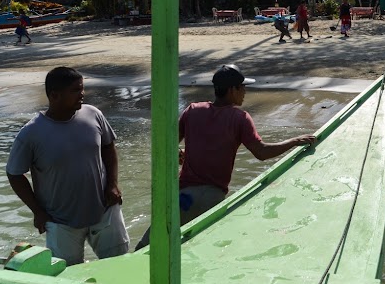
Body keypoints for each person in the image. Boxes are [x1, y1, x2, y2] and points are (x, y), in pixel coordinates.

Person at [135, 64, 316, 250]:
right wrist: (294, 141)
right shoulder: (240, 118)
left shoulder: (193, 110)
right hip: (213, 199)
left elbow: (166, 144)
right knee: (203, 251)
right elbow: (261, 152)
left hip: (183, 197)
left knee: (144, 249)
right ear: (231, 90)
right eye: (242, 87)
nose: (245, 92)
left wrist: (176, 154)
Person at [6, 67, 129, 265]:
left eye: (82, 89)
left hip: (105, 211)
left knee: (122, 266)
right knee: (67, 275)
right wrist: (37, 211)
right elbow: (14, 174)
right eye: (76, 90)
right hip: (60, 222)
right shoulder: (31, 133)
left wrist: (113, 184)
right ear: (54, 95)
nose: (82, 94)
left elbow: (108, 147)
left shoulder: (93, 114)